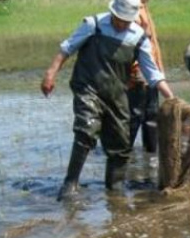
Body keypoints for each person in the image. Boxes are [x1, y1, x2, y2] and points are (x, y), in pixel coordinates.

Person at [41, 0, 175, 201]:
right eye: (118, 19)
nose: (121, 24)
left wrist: (172, 99)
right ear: (112, 13)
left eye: (126, 21)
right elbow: (67, 49)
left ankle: (115, 191)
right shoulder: (93, 25)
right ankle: (70, 184)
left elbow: (153, 74)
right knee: (86, 129)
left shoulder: (139, 37)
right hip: (88, 87)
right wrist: (50, 74)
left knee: (121, 143)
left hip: (116, 94)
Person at [127, 0, 163, 154]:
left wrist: (159, 70)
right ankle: (123, 153)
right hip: (138, 70)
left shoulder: (143, 7)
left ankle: (150, 154)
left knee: (151, 113)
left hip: (150, 68)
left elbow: (152, 42)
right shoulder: (131, 7)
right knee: (135, 114)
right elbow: (133, 39)